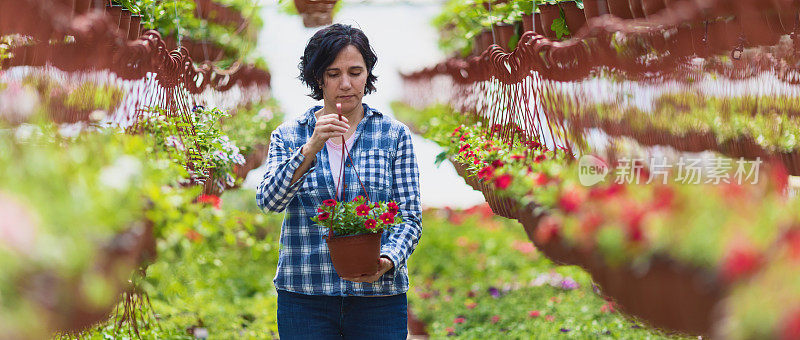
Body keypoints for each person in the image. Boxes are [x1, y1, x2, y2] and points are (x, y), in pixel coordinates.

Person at [256, 23, 422, 339]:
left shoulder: (393, 135)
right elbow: (268, 201)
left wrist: (386, 260)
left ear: (368, 75)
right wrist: (309, 149)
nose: (345, 84)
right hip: (305, 295)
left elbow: (410, 217)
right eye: (333, 74)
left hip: (379, 299)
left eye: (355, 72)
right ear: (318, 78)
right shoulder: (290, 135)